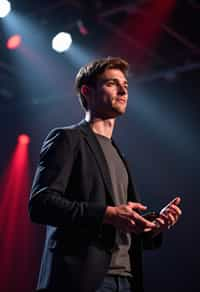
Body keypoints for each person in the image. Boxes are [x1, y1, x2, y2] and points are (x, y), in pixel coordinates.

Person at [29, 57, 182, 292]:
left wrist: (153, 226)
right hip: (82, 280)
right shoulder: (67, 139)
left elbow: (124, 228)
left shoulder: (120, 155)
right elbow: (41, 204)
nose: (122, 90)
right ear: (87, 91)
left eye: (125, 85)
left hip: (126, 280)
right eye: (112, 83)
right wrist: (108, 213)